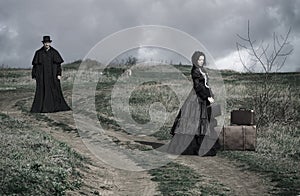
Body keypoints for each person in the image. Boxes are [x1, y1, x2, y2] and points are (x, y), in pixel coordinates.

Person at [167, 51, 219, 156]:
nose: (201, 61)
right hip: (196, 98)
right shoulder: (195, 70)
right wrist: (206, 97)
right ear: (195, 60)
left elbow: (206, 85)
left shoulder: (202, 70)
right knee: (192, 121)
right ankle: (189, 147)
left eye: (203, 60)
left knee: (203, 122)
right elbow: (198, 86)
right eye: (199, 60)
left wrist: (211, 95)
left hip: (203, 98)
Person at [30, 35, 71, 113]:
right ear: (43, 43)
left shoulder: (54, 52)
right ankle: (42, 108)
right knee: (42, 91)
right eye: (45, 43)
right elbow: (35, 66)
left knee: (55, 90)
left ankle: (55, 107)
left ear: (50, 43)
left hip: (53, 76)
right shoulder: (38, 53)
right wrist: (34, 75)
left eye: (48, 43)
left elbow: (58, 65)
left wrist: (59, 74)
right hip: (42, 77)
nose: (47, 44)